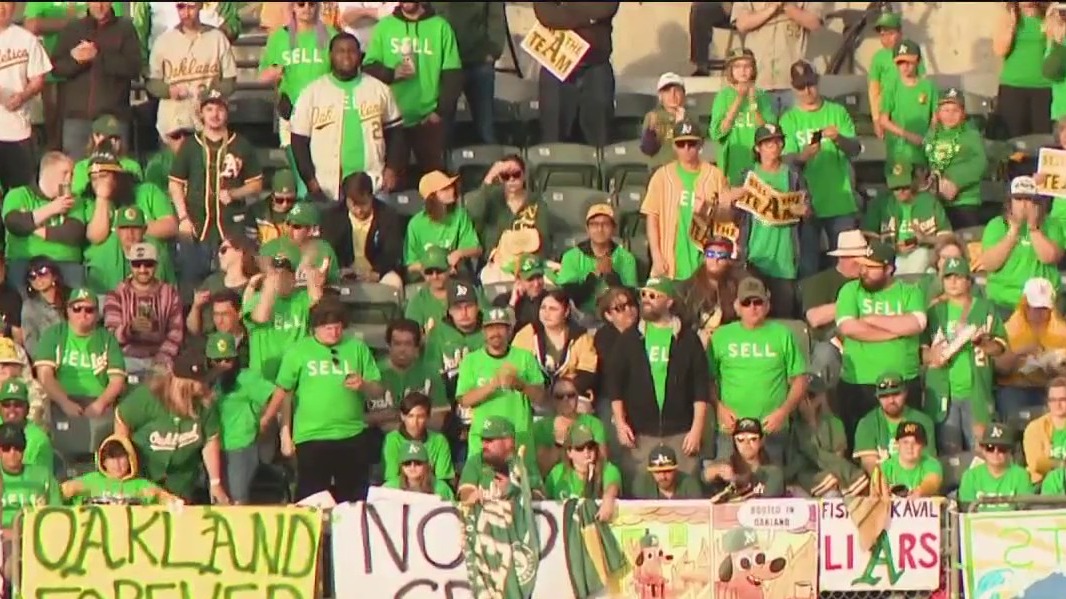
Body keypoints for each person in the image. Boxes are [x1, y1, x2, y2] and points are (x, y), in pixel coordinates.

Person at [265, 299, 384, 502]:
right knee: (312, 499)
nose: (334, 333)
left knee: (353, 500)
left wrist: (363, 385)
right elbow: (284, 392)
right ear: (315, 328)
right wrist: (273, 424)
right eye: (328, 328)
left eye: (338, 328)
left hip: (351, 434)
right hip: (312, 437)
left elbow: (378, 391)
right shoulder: (298, 352)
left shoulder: (357, 348)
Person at [607, 277, 709, 486]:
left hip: (681, 434)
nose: (646, 300)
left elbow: (700, 388)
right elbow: (615, 385)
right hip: (641, 435)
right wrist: (620, 423)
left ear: (669, 302)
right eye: (643, 295)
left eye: (653, 296)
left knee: (686, 491)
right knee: (639, 494)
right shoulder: (629, 339)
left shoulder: (688, 339)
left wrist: (697, 429)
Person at [290, 32, 404, 199]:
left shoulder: (379, 89)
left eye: (351, 51)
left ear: (360, 55)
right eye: (340, 51)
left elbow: (396, 132)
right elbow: (299, 141)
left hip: (374, 184)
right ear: (330, 55)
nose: (346, 56)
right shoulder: (312, 92)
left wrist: (392, 169)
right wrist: (311, 181)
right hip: (327, 187)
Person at [168, 86, 263, 284]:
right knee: (192, 286)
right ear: (201, 113)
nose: (215, 114)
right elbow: (175, 184)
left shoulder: (241, 145)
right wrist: (183, 218)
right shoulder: (190, 145)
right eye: (209, 109)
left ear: (227, 112)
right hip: (196, 227)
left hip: (231, 229)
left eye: (219, 109)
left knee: (231, 284)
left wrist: (235, 193)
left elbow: (256, 184)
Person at [114, 342, 228, 504]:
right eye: (196, 384)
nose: (202, 387)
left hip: (181, 483)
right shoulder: (148, 396)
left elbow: (210, 439)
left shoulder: (204, 403)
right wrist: (123, 460)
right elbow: (122, 417)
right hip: (144, 479)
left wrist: (215, 483)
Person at [709, 277, 808, 462]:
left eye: (758, 302)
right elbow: (707, 380)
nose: (752, 307)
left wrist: (783, 412)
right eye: (746, 302)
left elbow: (800, 379)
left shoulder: (783, 334)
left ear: (767, 305)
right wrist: (719, 407)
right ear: (737, 307)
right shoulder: (720, 336)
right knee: (729, 484)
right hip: (731, 430)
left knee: (771, 485)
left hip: (771, 429)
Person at [835, 240, 926, 439]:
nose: (864, 271)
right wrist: (894, 332)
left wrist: (872, 319)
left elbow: (915, 323)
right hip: (859, 384)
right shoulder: (850, 290)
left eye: (871, 267)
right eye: (862, 265)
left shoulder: (910, 291)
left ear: (889, 269)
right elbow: (848, 327)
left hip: (904, 383)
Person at [363, 2, 462, 181]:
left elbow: (453, 75)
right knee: (394, 184)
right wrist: (392, 73)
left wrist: (439, 112)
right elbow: (368, 68)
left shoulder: (440, 27)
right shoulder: (384, 27)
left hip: (428, 120)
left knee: (436, 183)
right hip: (393, 122)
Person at [782, 60, 862, 270]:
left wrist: (839, 140)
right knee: (808, 267)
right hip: (807, 204)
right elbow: (784, 161)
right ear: (793, 88)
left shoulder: (837, 112)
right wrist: (803, 156)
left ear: (818, 82)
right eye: (801, 87)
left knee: (846, 266)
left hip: (840, 202)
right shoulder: (789, 119)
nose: (807, 91)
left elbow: (855, 149)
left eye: (810, 84)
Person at [923, 257, 1006, 454]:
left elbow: (1000, 348)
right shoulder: (935, 312)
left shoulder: (985, 308)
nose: (952, 282)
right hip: (944, 393)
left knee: (981, 451)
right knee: (949, 453)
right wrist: (931, 355)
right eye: (948, 277)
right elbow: (920, 350)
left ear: (969, 281)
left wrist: (983, 343)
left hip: (976, 392)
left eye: (958, 277)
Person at [723, 123, 807, 312]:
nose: (774, 148)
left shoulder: (793, 175)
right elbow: (732, 217)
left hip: (785, 262)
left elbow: (809, 212)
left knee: (784, 317)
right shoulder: (747, 176)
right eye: (768, 144)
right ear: (757, 148)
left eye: (777, 142)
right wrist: (729, 201)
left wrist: (806, 211)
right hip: (754, 260)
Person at [259, 0, 336, 192]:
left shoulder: (330, 35)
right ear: (293, 7)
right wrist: (274, 72)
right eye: (301, 4)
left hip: (324, 112)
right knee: (300, 172)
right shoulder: (279, 38)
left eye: (311, 4)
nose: (307, 9)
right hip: (291, 111)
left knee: (324, 171)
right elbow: (262, 77)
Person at [456, 306, 545, 471]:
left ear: (509, 331)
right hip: (484, 441)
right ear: (483, 332)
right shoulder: (471, 361)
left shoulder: (524, 357)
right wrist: (493, 385)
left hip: (519, 438)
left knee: (523, 490)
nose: (495, 332)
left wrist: (520, 384)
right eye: (490, 328)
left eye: (500, 327)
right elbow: (464, 400)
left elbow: (540, 397)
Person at [51, 3, 141, 160]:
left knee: (114, 174)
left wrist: (98, 57)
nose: (99, 6)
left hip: (113, 120)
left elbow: (133, 68)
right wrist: (77, 61)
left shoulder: (125, 29)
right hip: (76, 120)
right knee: (77, 175)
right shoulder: (73, 29)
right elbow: (56, 68)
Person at [642, 119, 730, 280]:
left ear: (701, 145)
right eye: (681, 144)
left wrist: (708, 210)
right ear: (674, 146)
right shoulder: (661, 176)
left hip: (704, 263)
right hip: (670, 263)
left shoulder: (715, 175)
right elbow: (652, 217)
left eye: (692, 144)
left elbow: (728, 217)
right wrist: (656, 256)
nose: (687, 149)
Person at [82, 153, 178, 294]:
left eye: (104, 177)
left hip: (151, 285)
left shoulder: (147, 191)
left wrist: (135, 228)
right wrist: (102, 198)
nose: (99, 184)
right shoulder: (91, 202)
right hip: (105, 289)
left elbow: (171, 226)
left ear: (117, 176)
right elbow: (96, 236)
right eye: (94, 179)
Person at [34, 287, 126, 428]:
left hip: (99, 403)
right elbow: (45, 375)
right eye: (77, 308)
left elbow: (117, 380)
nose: (83, 314)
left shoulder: (107, 339)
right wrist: (65, 403)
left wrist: (99, 404)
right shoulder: (54, 334)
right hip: (60, 400)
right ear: (68, 310)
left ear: (97, 314)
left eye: (89, 310)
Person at [145, 1, 238, 140]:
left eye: (191, 7)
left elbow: (230, 82)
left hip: (209, 125)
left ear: (200, 6)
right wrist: (169, 90)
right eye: (181, 7)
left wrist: (210, 92)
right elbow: (152, 83)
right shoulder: (163, 41)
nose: (186, 13)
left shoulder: (217, 39)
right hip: (174, 124)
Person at [531, 2, 619, 147]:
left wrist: (564, 7)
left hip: (596, 66)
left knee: (599, 136)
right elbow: (546, 14)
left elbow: (604, 8)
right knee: (553, 136)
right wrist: (589, 19)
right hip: (557, 66)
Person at [207, 332, 275, 505]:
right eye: (217, 361)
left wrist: (265, 418)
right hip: (212, 446)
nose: (222, 365)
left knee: (237, 500)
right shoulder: (206, 381)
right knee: (217, 499)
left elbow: (277, 395)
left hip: (240, 446)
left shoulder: (247, 378)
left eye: (227, 360)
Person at [982, 176, 1065, 314]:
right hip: (1004, 301)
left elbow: (1050, 257)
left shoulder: (1052, 225)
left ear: (1038, 203)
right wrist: (1013, 231)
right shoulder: (996, 225)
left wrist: (1033, 228)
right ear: (1010, 202)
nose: (1024, 205)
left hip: (1044, 303)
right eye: (1018, 199)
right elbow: (989, 264)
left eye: (1029, 199)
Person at [3, 152, 87, 289]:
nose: (70, 179)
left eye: (72, 174)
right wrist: (52, 209)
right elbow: (15, 224)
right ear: (48, 173)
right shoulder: (18, 195)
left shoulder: (73, 200)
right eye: (65, 173)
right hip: (25, 261)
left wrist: (34, 226)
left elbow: (73, 233)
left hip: (65, 262)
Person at [465, 156, 550, 285]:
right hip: (496, 266)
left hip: (529, 266)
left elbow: (543, 238)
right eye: (505, 176)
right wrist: (489, 177)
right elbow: (472, 214)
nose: (511, 180)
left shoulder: (536, 202)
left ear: (524, 175)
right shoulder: (491, 198)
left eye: (516, 174)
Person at [102, 242, 184, 374]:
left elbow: (176, 332)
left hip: (159, 357)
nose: (142, 269)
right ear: (130, 265)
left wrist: (163, 356)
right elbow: (111, 335)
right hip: (126, 358)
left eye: (148, 264)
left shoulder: (169, 294)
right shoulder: (116, 294)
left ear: (156, 265)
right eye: (137, 264)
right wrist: (130, 328)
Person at [430, 2, 506, 146]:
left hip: (479, 62)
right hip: (444, 64)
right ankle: (444, 167)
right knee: (442, 131)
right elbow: (426, 15)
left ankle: (491, 165)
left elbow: (496, 17)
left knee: (485, 129)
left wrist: (492, 50)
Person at [799, 230, 867, 386]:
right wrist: (852, 303)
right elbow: (815, 318)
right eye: (856, 258)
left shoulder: (870, 282)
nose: (861, 263)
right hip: (827, 340)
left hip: (864, 335)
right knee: (825, 354)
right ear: (843, 257)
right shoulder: (820, 282)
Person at [243, 241, 319, 381]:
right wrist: (270, 284)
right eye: (275, 273)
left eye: (284, 274)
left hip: (296, 376)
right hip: (264, 380)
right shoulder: (256, 299)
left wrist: (308, 269)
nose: (279, 277)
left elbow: (318, 304)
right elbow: (261, 317)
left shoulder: (301, 299)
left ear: (293, 278)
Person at [730, 2, 824, 113]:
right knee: (763, 129)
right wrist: (772, 8)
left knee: (795, 129)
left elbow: (815, 23)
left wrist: (786, 6)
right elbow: (742, 24)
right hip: (759, 83)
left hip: (794, 84)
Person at [862, 160, 952, 276]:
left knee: (922, 255)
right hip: (891, 259)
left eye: (905, 186)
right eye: (896, 188)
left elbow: (949, 239)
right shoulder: (881, 203)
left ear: (914, 182)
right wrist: (893, 249)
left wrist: (925, 239)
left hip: (925, 257)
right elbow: (867, 238)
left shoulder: (930, 202)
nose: (901, 191)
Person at [786, 374, 869, 497]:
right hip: (803, 478)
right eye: (802, 397)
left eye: (811, 396)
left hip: (830, 477)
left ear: (822, 396)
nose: (806, 401)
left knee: (832, 494)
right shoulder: (791, 424)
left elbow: (837, 459)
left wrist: (812, 421)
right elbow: (793, 463)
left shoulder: (834, 422)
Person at [995, 277, 1066, 417]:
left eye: (1044, 308)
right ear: (1025, 305)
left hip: (1052, 388)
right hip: (1015, 387)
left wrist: (1055, 367)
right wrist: (1018, 353)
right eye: (1035, 307)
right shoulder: (1008, 330)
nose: (1039, 313)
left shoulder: (1062, 332)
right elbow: (998, 368)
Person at [0, 2, 51, 191]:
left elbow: (38, 79)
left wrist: (22, 96)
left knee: (19, 192)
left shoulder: (26, 39)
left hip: (18, 131)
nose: (2, 7)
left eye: (6, 3)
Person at [511, 289, 598, 399]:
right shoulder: (528, 333)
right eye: (543, 308)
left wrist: (562, 388)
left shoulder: (580, 337)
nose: (546, 313)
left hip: (569, 393)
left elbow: (587, 374)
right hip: (535, 393)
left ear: (566, 312)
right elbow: (514, 365)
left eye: (553, 309)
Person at [555, 203, 639, 314]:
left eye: (606, 224)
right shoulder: (571, 257)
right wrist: (595, 274)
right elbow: (569, 298)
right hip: (580, 316)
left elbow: (630, 300)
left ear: (614, 228)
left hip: (615, 316)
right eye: (594, 224)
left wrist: (611, 275)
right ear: (587, 228)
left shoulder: (626, 258)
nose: (600, 229)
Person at [327, 171, 405, 288]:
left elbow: (391, 252)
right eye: (354, 205)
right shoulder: (333, 217)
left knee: (393, 282)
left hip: (377, 271)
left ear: (371, 197)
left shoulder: (387, 215)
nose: (359, 210)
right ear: (346, 199)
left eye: (363, 204)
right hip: (345, 273)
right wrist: (341, 269)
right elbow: (329, 248)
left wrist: (377, 273)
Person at [924, 88, 988, 229]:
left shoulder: (971, 135)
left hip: (964, 201)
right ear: (938, 113)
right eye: (946, 110)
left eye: (955, 110)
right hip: (936, 202)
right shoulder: (931, 135)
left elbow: (980, 163)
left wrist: (955, 180)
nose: (950, 115)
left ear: (963, 113)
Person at [710, 48, 774, 185]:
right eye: (737, 66)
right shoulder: (723, 96)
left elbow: (769, 133)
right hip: (732, 167)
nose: (743, 71)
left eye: (747, 66)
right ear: (730, 70)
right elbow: (716, 133)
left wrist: (752, 104)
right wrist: (739, 98)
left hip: (759, 166)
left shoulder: (762, 96)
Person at [852, 372, 938, 473]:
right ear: (878, 397)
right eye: (885, 396)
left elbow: (928, 462)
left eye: (896, 394)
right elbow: (870, 464)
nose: (891, 400)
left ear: (905, 393)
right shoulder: (867, 423)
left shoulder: (923, 421)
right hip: (882, 483)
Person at [60, 434, 179, 505]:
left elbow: (174, 504)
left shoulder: (142, 486)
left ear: (131, 459)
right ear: (103, 461)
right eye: (111, 458)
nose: (117, 463)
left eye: (121, 457)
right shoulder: (88, 482)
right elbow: (55, 496)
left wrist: (160, 497)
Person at [404, 171, 482, 278]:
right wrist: (431, 268)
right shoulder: (415, 224)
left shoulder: (460, 215)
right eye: (445, 189)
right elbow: (410, 264)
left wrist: (459, 254)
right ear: (432, 197)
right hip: (426, 277)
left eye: (451, 186)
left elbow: (476, 249)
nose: (452, 190)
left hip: (456, 275)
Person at [994, 2, 1053, 138]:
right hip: (1013, 86)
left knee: (1043, 138)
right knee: (1013, 139)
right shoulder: (1007, 17)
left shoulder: (1048, 17)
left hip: (1044, 86)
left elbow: (1055, 48)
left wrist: (1050, 27)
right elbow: (999, 50)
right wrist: (1012, 26)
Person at [377, 319, 449, 430]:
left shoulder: (430, 372)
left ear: (416, 347)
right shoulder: (373, 373)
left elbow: (439, 420)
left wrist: (397, 425)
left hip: (423, 440)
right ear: (388, 346)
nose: (402, 349)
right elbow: (360, 419)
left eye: (408, 344)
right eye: (397, 343)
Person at [676, 236, 748, 345]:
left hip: (730, 340)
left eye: (721, 256)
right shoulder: (688, 288)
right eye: (710, 254)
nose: (715, 260)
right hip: (698, 341)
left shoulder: (738, 285)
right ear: (704, 258)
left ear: (729, 260)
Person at [878, 41, 937, 171]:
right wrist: (907, 135)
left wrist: (929, 137)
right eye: (900, 63)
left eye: (909, 62)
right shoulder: (891, 88)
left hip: (922, 151)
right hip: (898, 152)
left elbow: (935, 116)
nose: (905, 67)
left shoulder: (928, 87)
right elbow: (884, 120)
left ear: (918, 62)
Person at [867, 9, 925, 139]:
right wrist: (876, 119)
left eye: (891, 33)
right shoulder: (878, 58)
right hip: (888, 112)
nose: (886, 38)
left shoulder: (912, 51)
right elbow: (874, 90)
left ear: (900, 33)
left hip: (911, 108)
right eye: (882, 35)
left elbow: (922, 82)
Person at [544, 423, 621, 521]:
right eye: (580, 448)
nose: (586, 452)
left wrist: (609, 498)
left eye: (590, 447)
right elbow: (544, 498)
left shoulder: (606, 468)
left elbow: (613, 485)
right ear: (569, 452)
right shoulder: (557, 472)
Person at [457, 415, 544, 502]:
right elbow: (465, 493)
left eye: (489, 440)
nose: (484, 445)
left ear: (508, 441)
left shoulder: (523, 462)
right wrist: (477, 495)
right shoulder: (476, 461)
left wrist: (517, 488)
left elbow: (540, 497)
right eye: (483, 440)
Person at [532, 377, 606, 476]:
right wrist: (559, 443)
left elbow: (603, 462)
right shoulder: (540, 427)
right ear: (552, 400)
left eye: (570, 395)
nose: (565, 400)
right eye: (559, 396)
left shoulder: (594, 424)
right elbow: (543, 470)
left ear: (577, 397)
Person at [259, 204, 342, 287]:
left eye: (296, 226)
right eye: (288, 224)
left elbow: (333, 285)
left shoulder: (324, 250)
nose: (290, 230)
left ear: (311, 230)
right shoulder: (271, 247)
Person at [703, 418, 785, 501]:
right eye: (740, 439)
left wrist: (736, 479)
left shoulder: (772, 472)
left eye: (753, 439)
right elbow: (704, 477)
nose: (746, 443)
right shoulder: (729, 465)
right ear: (734, 442)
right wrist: (714, 471)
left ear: (761, 441)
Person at [958, 422, 1035, 511]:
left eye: (1002, 448)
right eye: (990, 447)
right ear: (983, 450)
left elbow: (1024, 512)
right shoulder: (970, 476)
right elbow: (967, 513)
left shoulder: (1021, 475)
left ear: (1010, 451)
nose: (996, 452)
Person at [381, 391, 453, 483]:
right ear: (402, 416)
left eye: (420, 417)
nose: (415, 422)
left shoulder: (439, 440)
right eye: (411, 416)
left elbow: (443, 479)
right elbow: (392, 477)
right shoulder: (392, 439)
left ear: (428, 417)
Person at [0, 423, 61, 531]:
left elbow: (58, 514)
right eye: (6, 448)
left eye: (18, 448)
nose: (12, 452)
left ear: (24, 448)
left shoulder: (43, 476)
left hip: (36, 536)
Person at [641, 73, 693, 167]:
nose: (672, 95)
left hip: (685, 169)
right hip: (660, 169)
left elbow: (693, 148)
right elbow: (648, 149)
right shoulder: (653, 116)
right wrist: (651, 131)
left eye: (676, 91)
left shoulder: (691, 117)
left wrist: (681, 125)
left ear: (683, 94)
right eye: (667, 91)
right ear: (660, 96)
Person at [881, 421, 944, 497]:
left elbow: (932, 482)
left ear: (923, 446)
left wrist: (920, 491)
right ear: (897, 444)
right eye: (905, 442)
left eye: (916, 443)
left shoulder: (932, 464)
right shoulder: (886, 467)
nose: (910, 447)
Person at [0, 381, 52, 472]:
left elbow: (43, 480)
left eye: (18, 405)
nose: (12, 411)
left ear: (27, 408)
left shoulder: (40, 440)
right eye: (6, 405)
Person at [21, 258, 69, 354]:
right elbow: (30, 341)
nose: (38, 278)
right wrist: (42, 360)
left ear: (54, 275)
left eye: (42, 272)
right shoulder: (29, 307)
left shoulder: (71, 297)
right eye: (32, 276)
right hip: (46, 357)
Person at [382, 439, 455, 500]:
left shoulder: (441, 488)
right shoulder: (389, 488)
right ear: (401, 466)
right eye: (407, 463)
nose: (412, 467)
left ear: (427, 465)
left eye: (418, 463)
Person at [631, 445, 703, 500]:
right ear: (651, 472)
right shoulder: (642, 484)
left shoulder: (689, 484)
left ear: (675, 470)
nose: (663, 477)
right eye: (657, 472)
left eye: (667, 471)